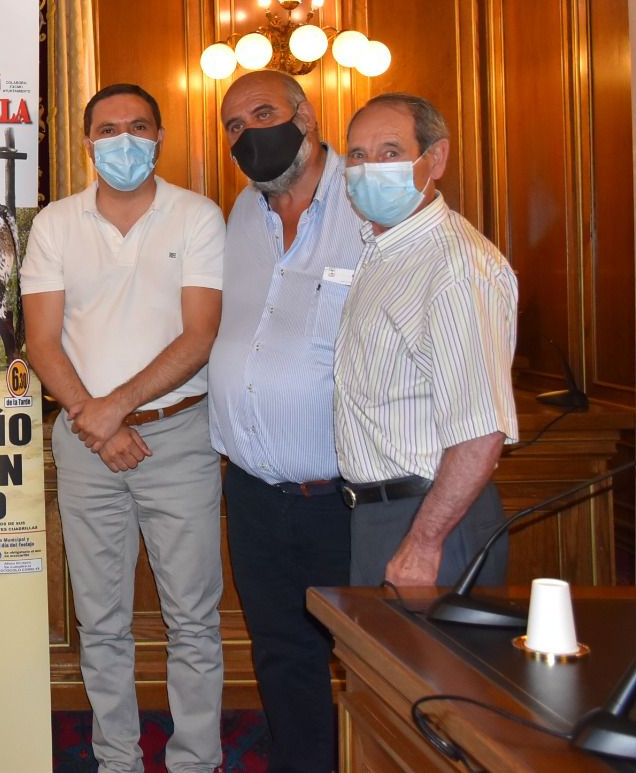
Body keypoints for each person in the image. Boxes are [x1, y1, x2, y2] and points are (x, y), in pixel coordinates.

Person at [22, 83, 226, 773]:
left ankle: (197, 760)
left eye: (139, 126)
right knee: (101, 621)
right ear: (87, 143)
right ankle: (117, 759)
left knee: (193, 619)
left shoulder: (197, 215)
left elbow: (200, 335)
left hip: (179, 437)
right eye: (108, 129)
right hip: (85, 442)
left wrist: (115, 407)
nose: (124, 140)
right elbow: (42, 341)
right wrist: (98, 417)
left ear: (160, 136)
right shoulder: (56, 224)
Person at [208, 69, 363, 773]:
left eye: (263, 114)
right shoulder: (241, 213)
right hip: (253, 492)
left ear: (306, 115)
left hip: (346, 498)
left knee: (368, 657)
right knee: (279, 652)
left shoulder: (368, 206)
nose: (249, 134)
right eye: (234, 126)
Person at [335, 92, 518, 587]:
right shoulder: (385, 251)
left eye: (391, 152)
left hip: (432, 521)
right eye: (358, 155)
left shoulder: (456, 267)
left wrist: (424, 541)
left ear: (435, 159)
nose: (370, 168)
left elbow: (481, 429)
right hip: (379, 514)